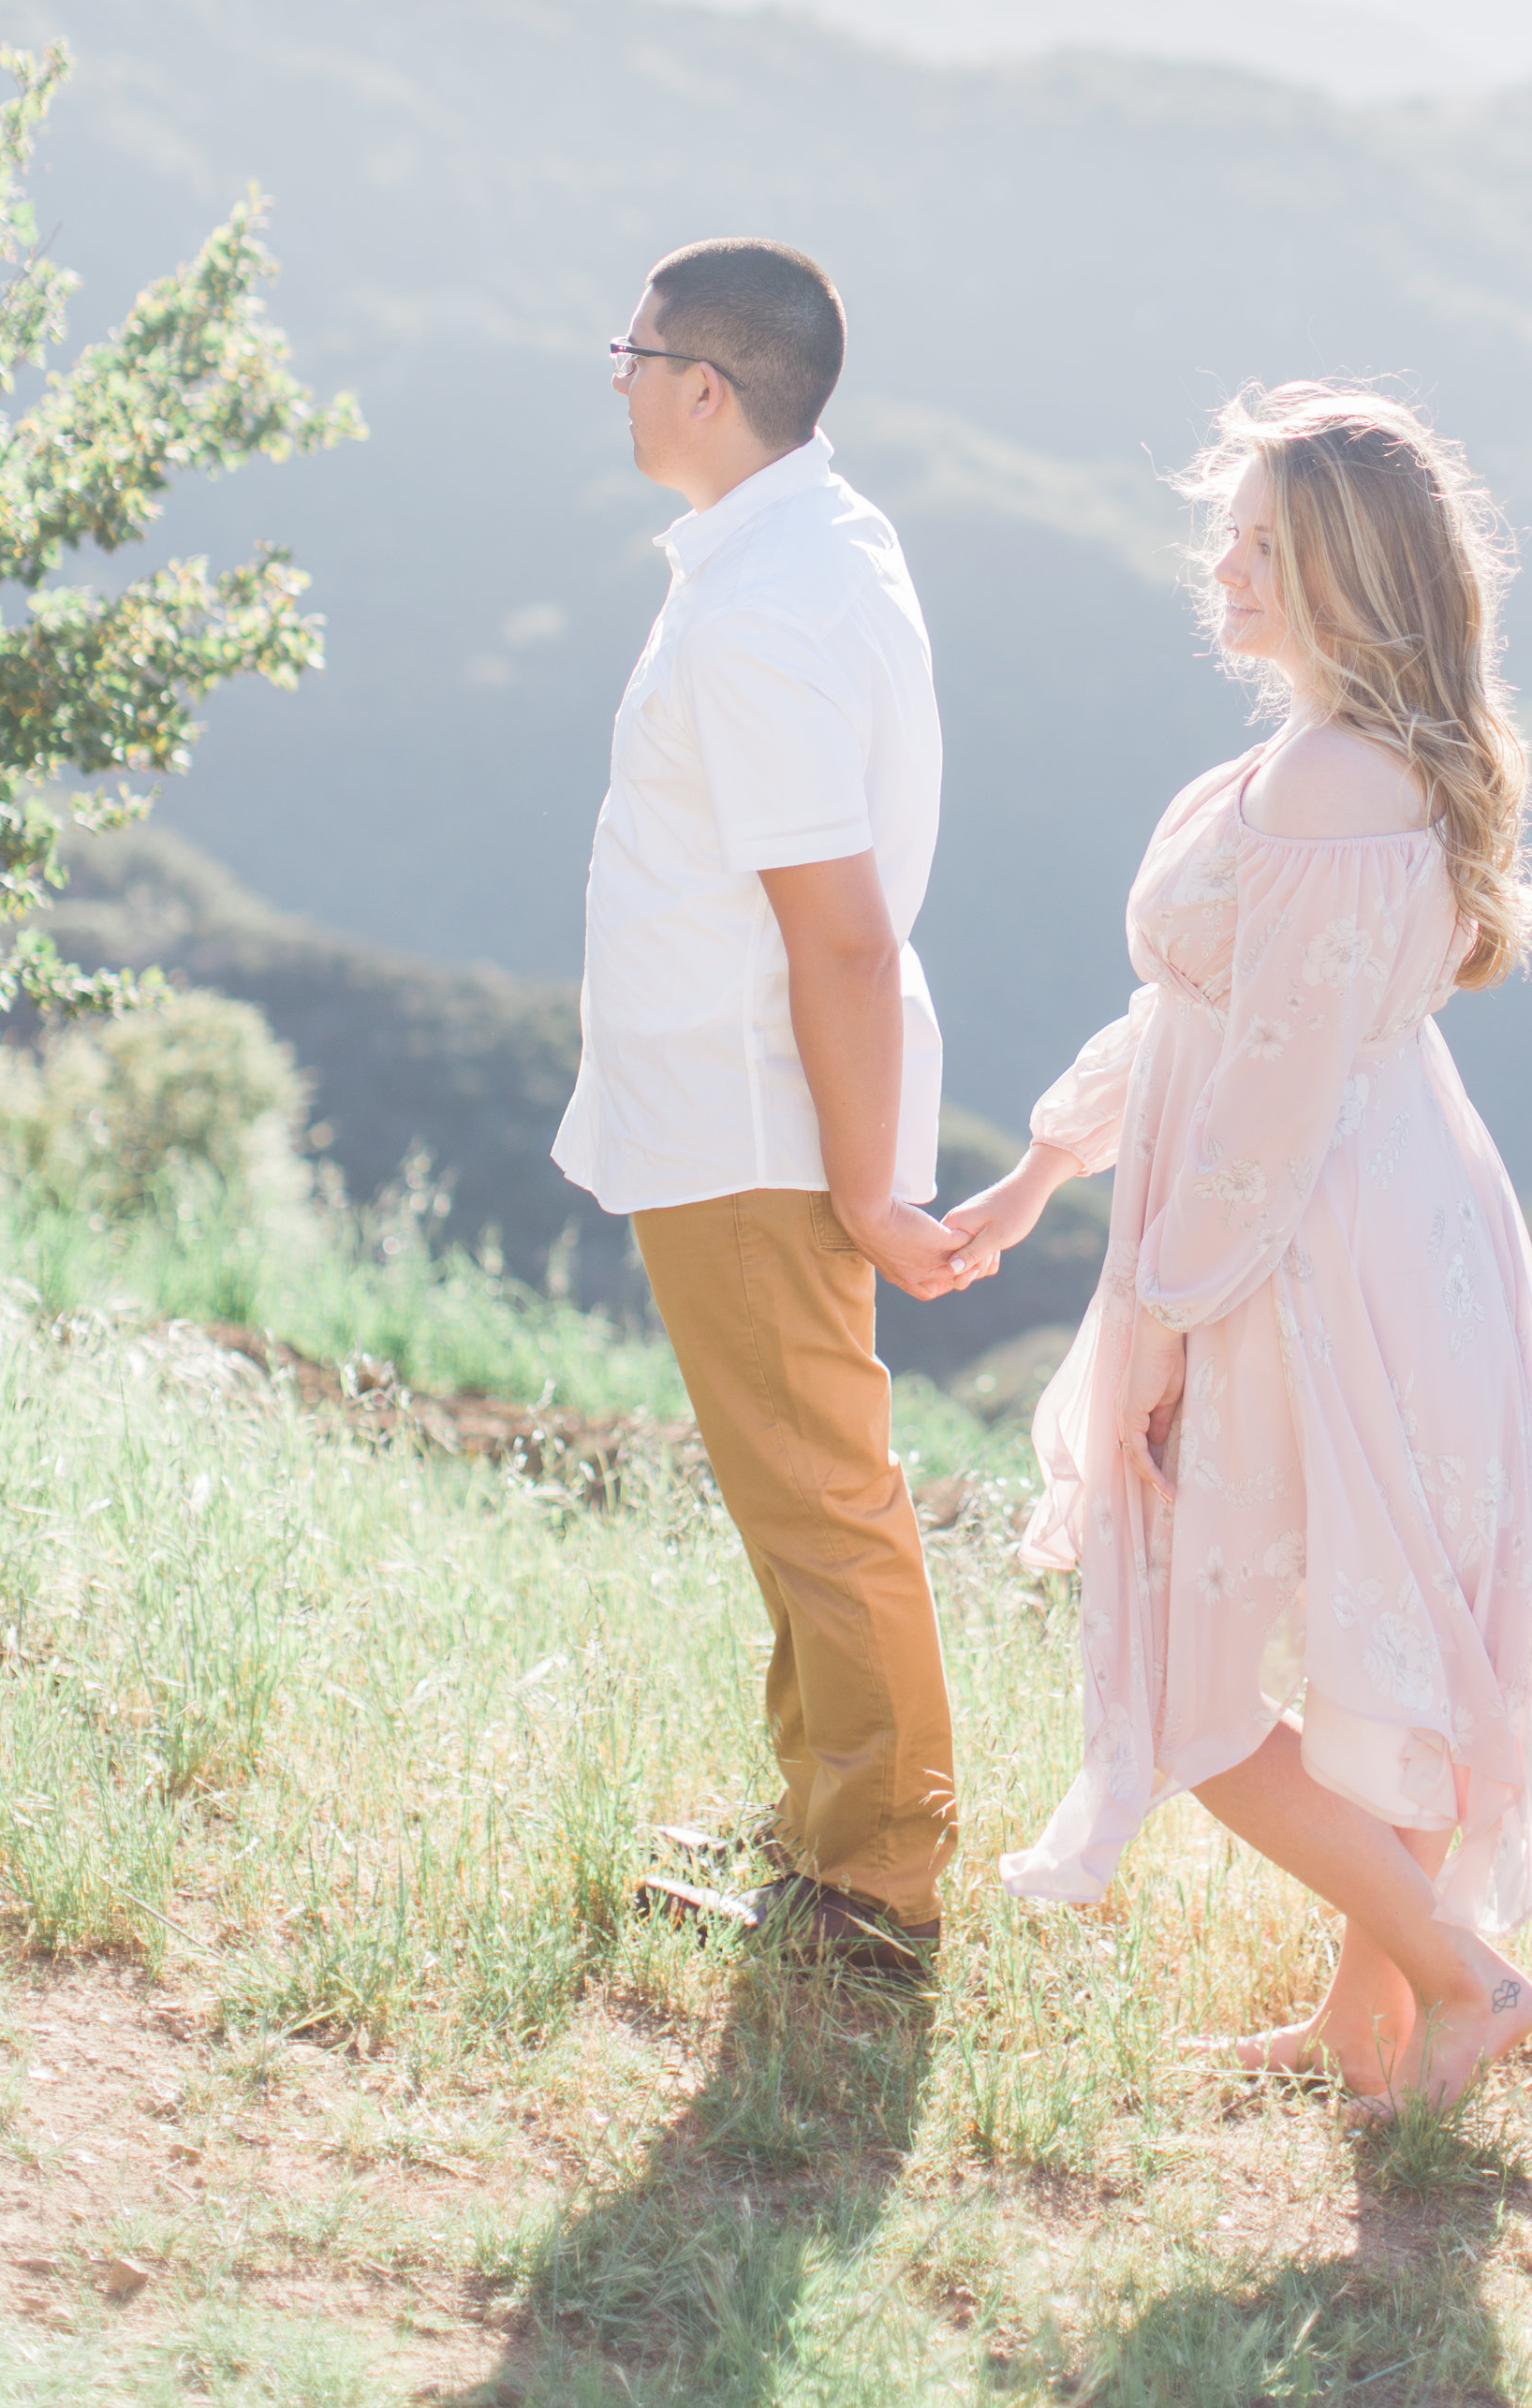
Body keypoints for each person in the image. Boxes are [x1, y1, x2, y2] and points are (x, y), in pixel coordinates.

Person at [944, 383, 1532, 2105]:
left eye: (1261, 545)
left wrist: (1157, 1319)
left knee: (1198, 1691)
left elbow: (1264, 1100)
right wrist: (1043, 1166)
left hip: (1300, 1246)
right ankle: (1363, 2019)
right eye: (1224, 534)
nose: (1219, 568)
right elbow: (1199, 1022)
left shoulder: (1324, 780)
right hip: (1379, 1211)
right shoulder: (1342, 762)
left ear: (1346, 574)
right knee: (1379, 1636)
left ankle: (1458, 1981)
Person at [552, 237, 966, 1987]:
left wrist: (865, 1185)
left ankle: (875, 1884)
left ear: (702, 386)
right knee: (793, 1487)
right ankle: (825, 1822)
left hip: (754, 1115)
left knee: (820, 1491)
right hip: (741, 1102)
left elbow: (845, 935)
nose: (621, 378)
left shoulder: (766, 605)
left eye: (630, 353)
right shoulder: (795, 546)